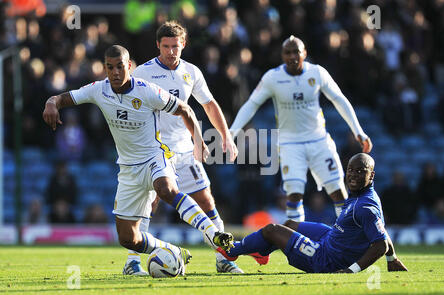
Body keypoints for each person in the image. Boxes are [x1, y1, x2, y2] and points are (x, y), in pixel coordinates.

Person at [42, 44, 234, 276]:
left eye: (120, 67)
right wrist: (51, 103)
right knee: (128, 238)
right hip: (128, 169)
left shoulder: (147, 90)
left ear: (129, 66)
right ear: (105, 68)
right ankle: (171, 250)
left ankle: (212, 234)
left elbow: (185, 109)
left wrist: (198, 141)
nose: (115, 72)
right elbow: (62, 98)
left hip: (155, 156)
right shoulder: (98, 90)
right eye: (110, 67)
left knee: (166, 189)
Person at [132, 20, 245, 274]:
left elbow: (209, 104)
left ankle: (224, 258)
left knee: (206, 199)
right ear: (158, 46)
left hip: (184, 150)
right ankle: (132, 262)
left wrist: (225, 135)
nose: (171, 52)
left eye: (175, 46)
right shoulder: (143, 73)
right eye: (166, 46)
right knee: (149, 204)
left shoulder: (191, 72)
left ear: (183, 44)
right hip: (155, 150)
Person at [230, 35, 373, 222]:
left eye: (296, 51)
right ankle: (297, 246)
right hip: (290, 144)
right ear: (282, 56)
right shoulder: (273, 77)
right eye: (287, 52)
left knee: (338, 192)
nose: (292, 56)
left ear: (304, 53)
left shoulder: (317, 73)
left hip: (319, 140)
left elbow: (339, 99)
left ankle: (348, 238)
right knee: (294, 195)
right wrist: (231, 132)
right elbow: (251, 104)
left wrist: (358, 131)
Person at [217, 153, 408, 274]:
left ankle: (232, 251)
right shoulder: (363, 194)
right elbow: (381, 232)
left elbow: (380, 244)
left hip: (326, 258)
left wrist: (351, 271)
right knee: (290, 224)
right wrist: (393, 260)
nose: (353, 175)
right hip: (330, 237)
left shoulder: (365, 206)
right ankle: (260, 251)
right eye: (350, 170)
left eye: (360, 171)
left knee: (272, 230)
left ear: (372, 175)